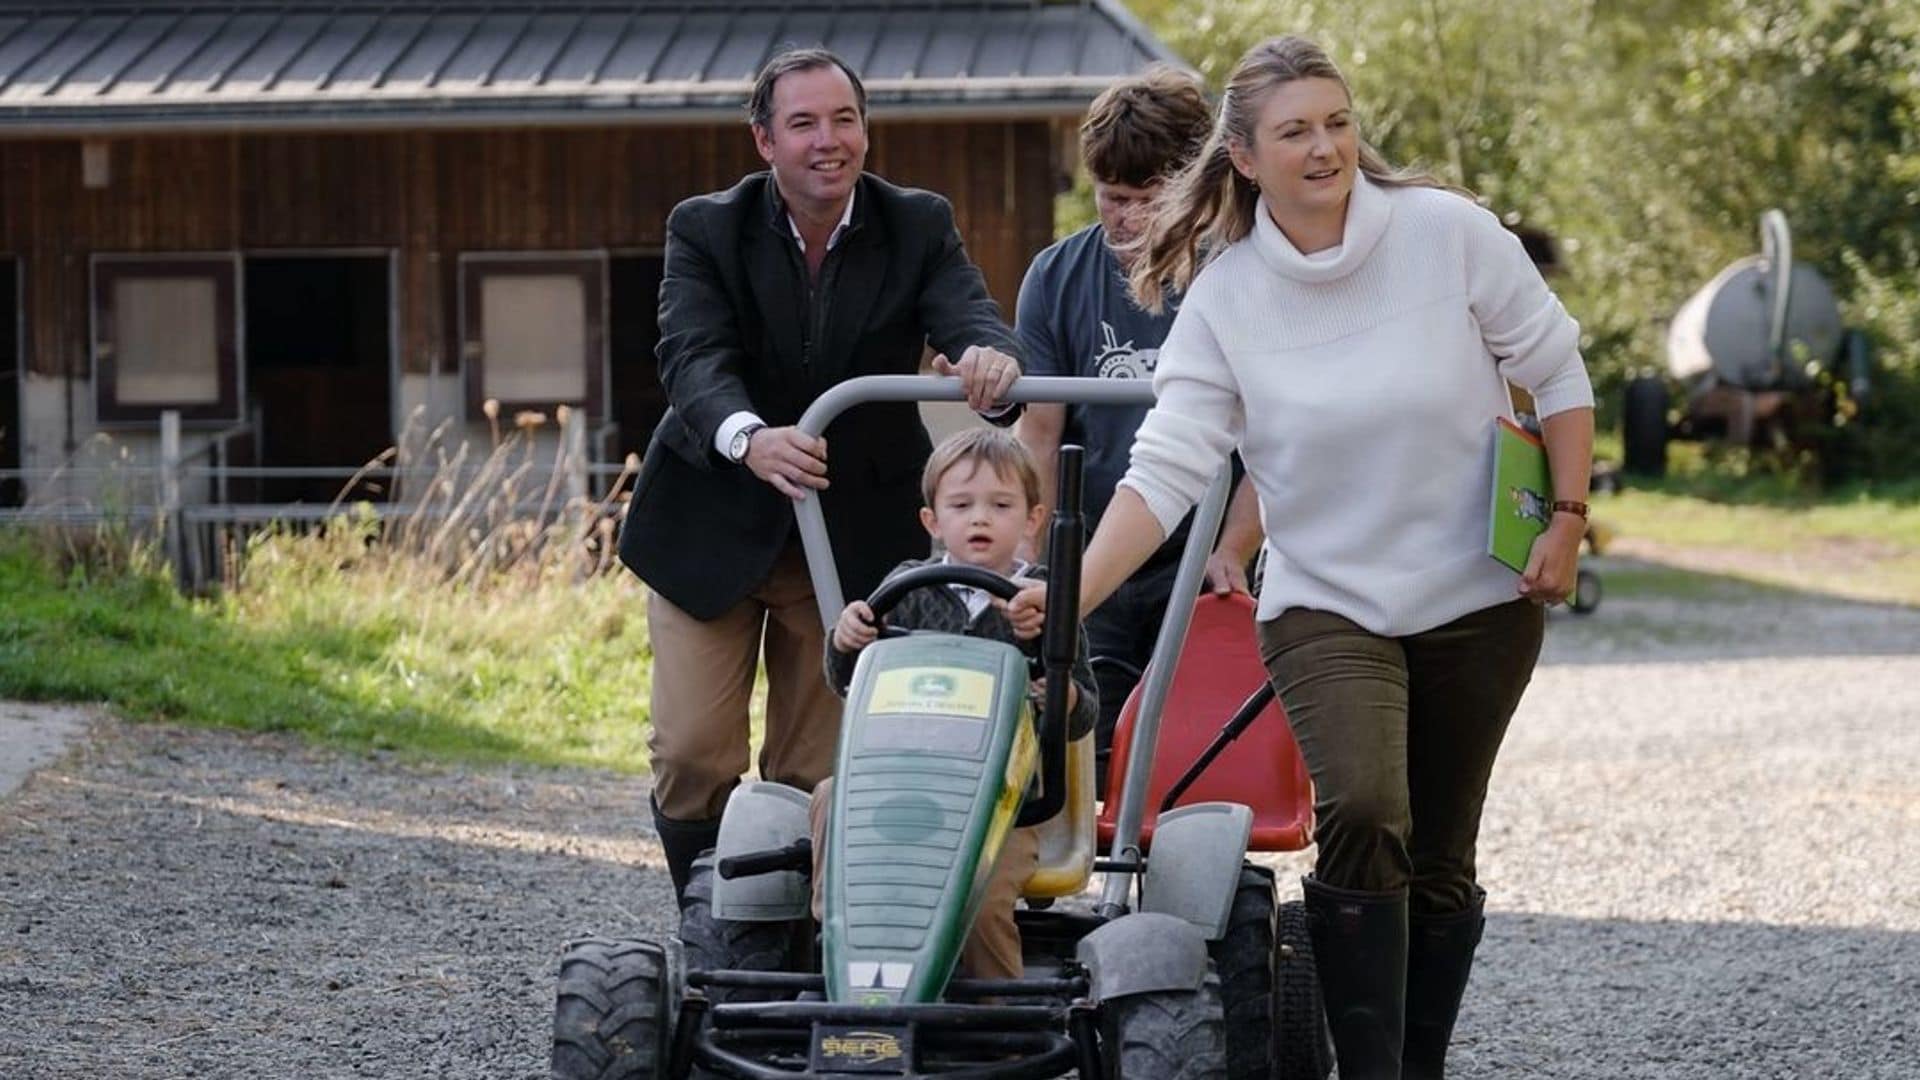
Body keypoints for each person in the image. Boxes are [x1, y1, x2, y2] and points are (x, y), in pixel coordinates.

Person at [1011, 36, 1594, 1080]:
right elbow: (1166, 470)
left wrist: (1565, 515)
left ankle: (1418, 1063)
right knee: (1366, 811)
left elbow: (1555, 369)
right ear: (1243, 156)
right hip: (1327, 602)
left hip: (1478, 595)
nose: (1324, 147)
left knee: (1442, 856)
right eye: (1296, 131)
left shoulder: (1445, 234)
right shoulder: (1227, 296)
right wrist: (1067, 599)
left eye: (1337, 122)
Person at [618, 47, 1025, 907]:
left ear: (866, 132)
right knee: (694, 753)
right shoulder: (706, 227)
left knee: (812, 767)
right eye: (803, 123)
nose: (827, 141)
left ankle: (793, 944)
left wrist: (989, 360)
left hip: (845, 537)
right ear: (764, 140)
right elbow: (691, 357)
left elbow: (968, 312)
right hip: (712, 523)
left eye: (844, 120)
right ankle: (708, 919)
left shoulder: (916, 223)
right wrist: (749, 438)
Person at [1014, 65, 1265, 793]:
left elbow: (1273, 439)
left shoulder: (1240, 272)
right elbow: (1039, 429)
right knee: (1089, 740)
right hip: (1102, 551)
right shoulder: (1058, 276)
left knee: (1200, 749)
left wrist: (1235, 547)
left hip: (1208, 553)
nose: (1125, 219)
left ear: (1195, 186)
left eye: (1146, 200)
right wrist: (1036, 552)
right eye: (1111, 198)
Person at [811, 428, 1095, 980]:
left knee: (983, 905)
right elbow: (849, 682)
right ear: (933, 522)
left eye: (1000, 505)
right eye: (962, 506)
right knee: (828, 795)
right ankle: (835, 936)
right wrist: (847, 641)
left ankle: (1004, 1031)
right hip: (897, 777)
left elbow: (1083, 712)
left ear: (1034, 519)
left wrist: (1053, 687)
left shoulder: (1047, 600)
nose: (980, 519)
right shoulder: (905, 589)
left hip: (1005, 800)